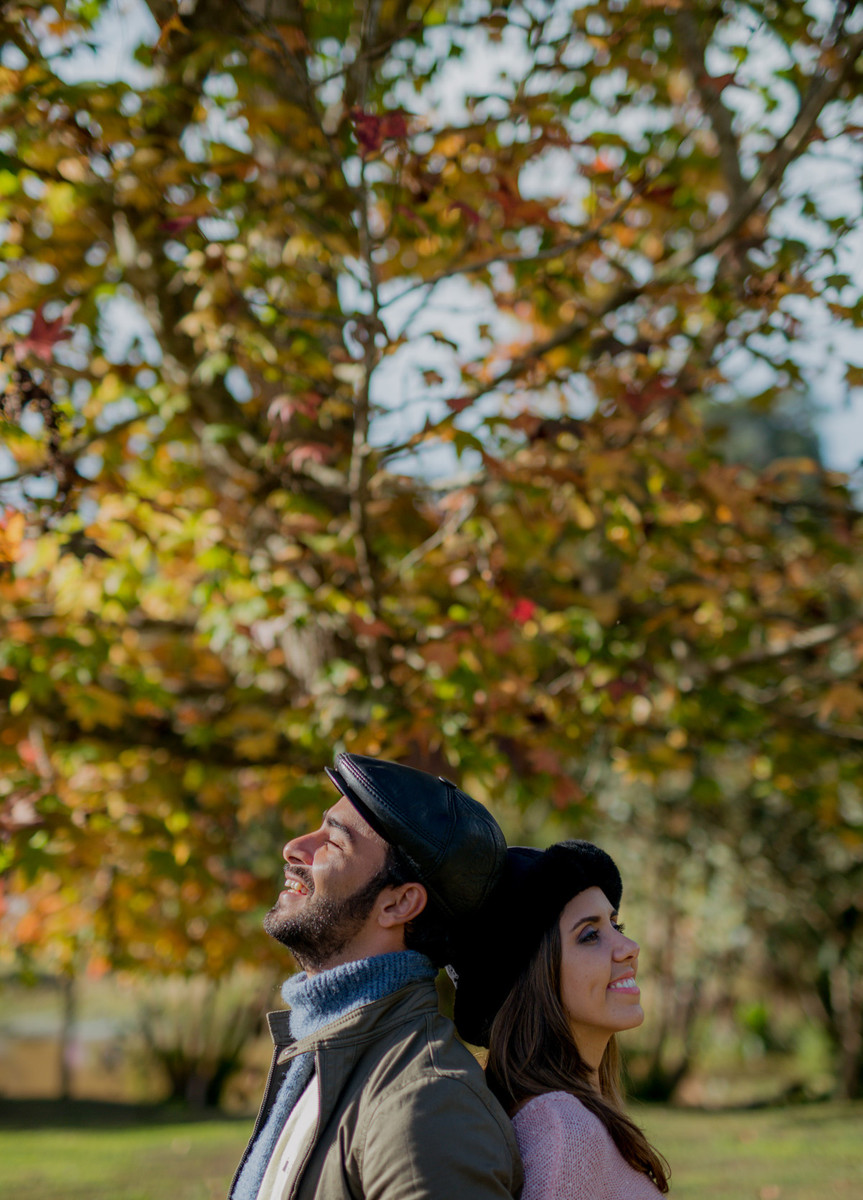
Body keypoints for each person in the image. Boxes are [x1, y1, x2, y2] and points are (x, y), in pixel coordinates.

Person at [229, 752, 523, 1200]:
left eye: (334, 841)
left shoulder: (427, 1105)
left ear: (399, 903)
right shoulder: (324, 1047)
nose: (294, 846)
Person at [451, 840, 670, 1199]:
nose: (630, 948)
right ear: (534, 979)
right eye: (590, 935)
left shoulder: (566, 1120)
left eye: (616, 926)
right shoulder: (565, 1136)